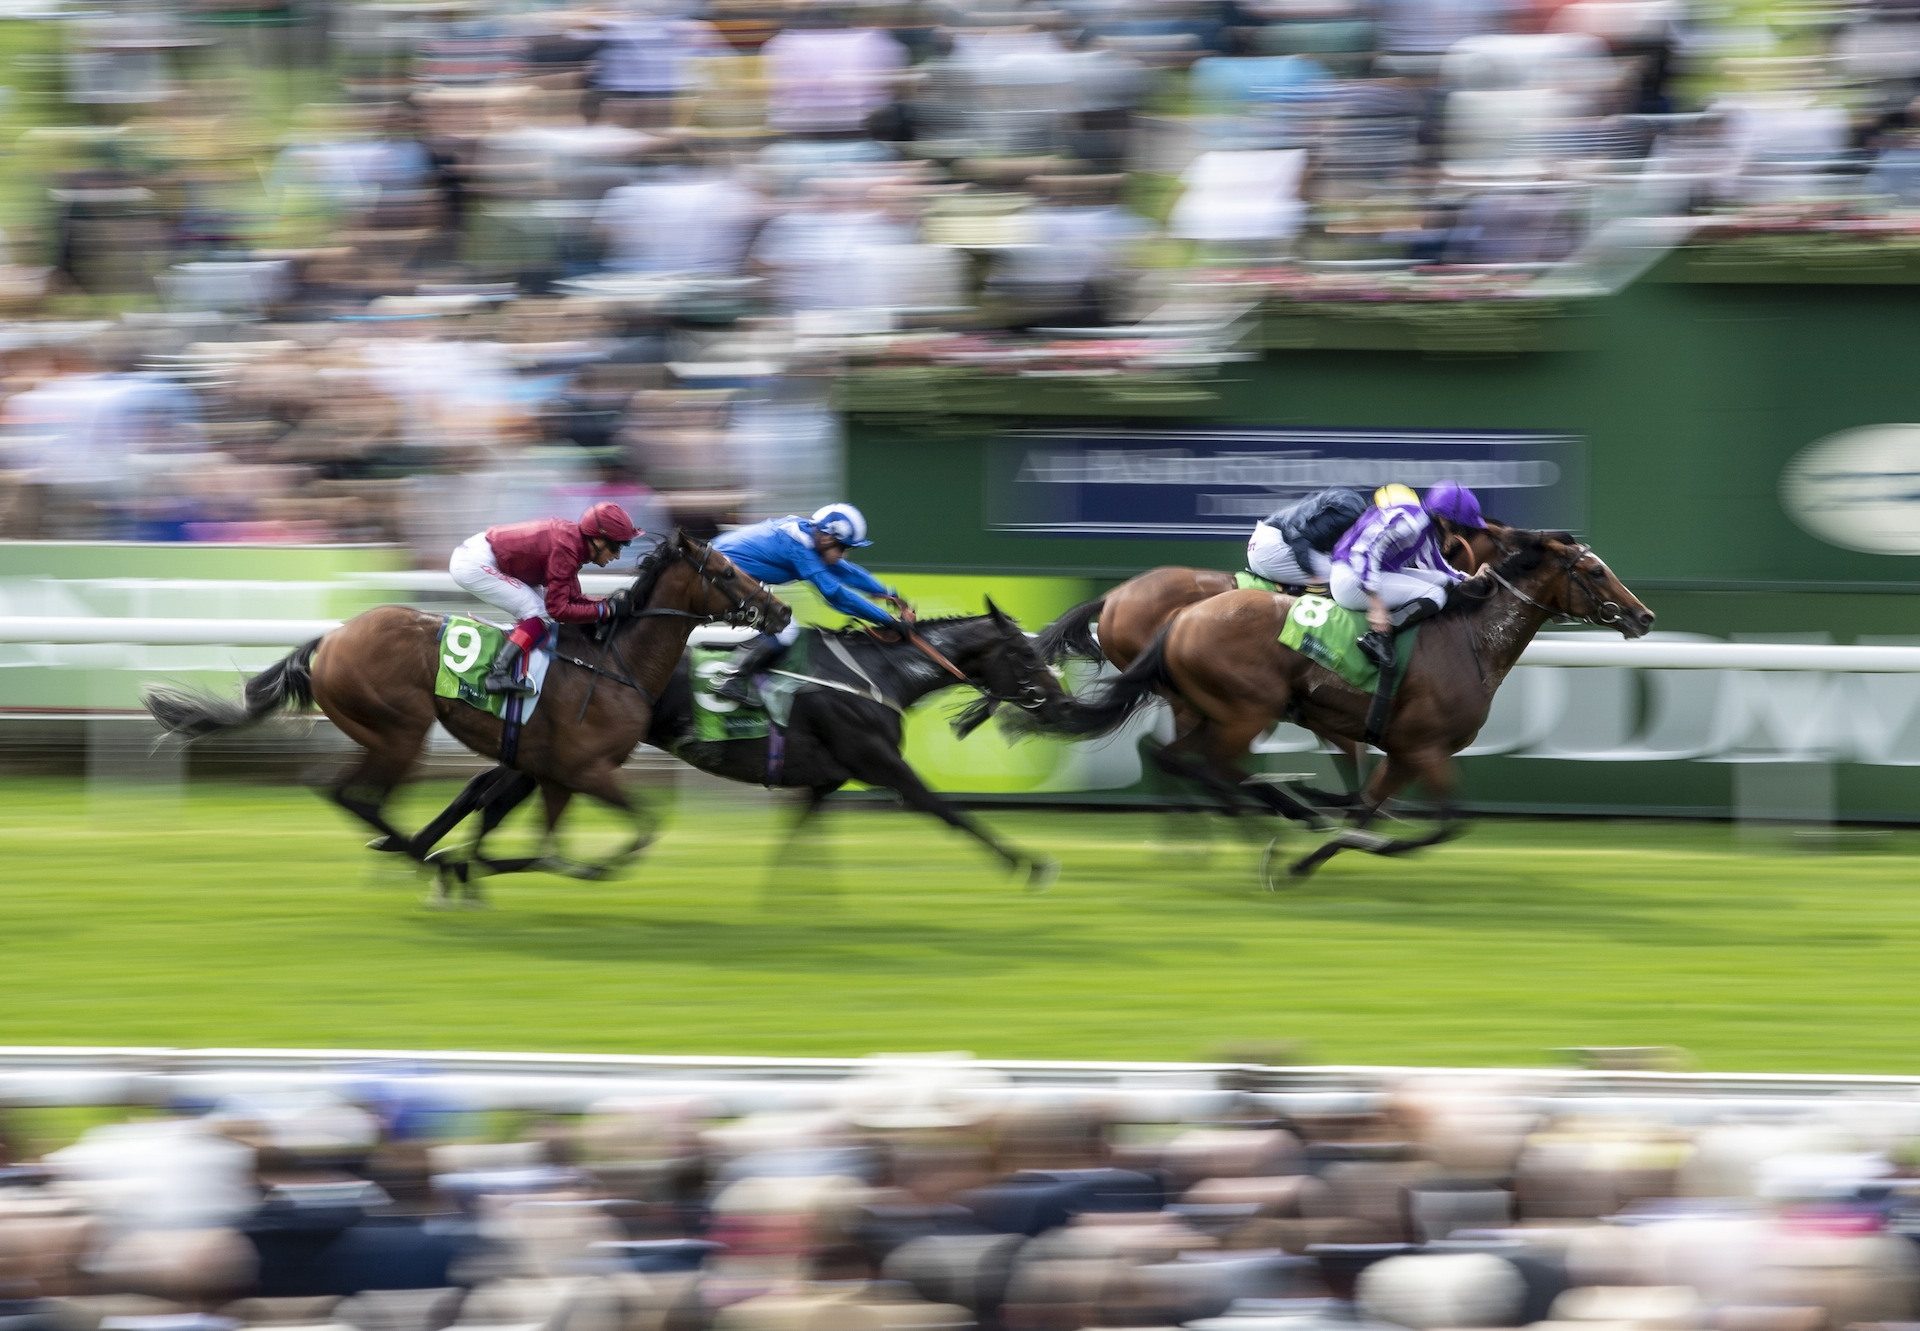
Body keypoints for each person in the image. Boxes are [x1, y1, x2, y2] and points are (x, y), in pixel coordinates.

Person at [709, 503, 910, 705]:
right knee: (785, 627)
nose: (843, 554)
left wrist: (887, 593)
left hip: (728, 573)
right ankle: (732, 679)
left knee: (781, 622)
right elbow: (835, 594)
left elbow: (845, 570)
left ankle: (750, 674)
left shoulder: (810, 537)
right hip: (721, 578)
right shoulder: (799, 547)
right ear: (826, 537)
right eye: (843, 548)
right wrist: (887, 620)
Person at [448, 502, 641, 695]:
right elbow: (558, 610)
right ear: (598, 540)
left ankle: (515, 655)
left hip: (484, 555)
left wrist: (606, 604)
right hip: (475, 562)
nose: (617, 556)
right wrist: (605, 610)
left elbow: (572, 599)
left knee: (540, 613)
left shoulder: (574, 543)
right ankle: (497, 674)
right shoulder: (567, 547)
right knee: (538, 613)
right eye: (616, 547)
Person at [1329, 482, 1487, 671]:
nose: (1460, 534)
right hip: (1350, 580)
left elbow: (1438, 569)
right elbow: (1363, 552)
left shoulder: (1424, 526)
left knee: (1441, 582)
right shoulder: (1410, 522)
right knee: (1435, 594)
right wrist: (1377, 607)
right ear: (1445, 519)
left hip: (1363, 573)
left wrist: (1469, 580)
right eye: (1460, 528)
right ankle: (1377, 637)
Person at [1246, 487, 1370, 591]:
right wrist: (1313, 575)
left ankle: (1295, 589)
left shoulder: (1350, 503)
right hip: (1272, 548)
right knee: (1347, 575)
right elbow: (1299, 541)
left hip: (1263, 543)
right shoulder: (1347, 514)